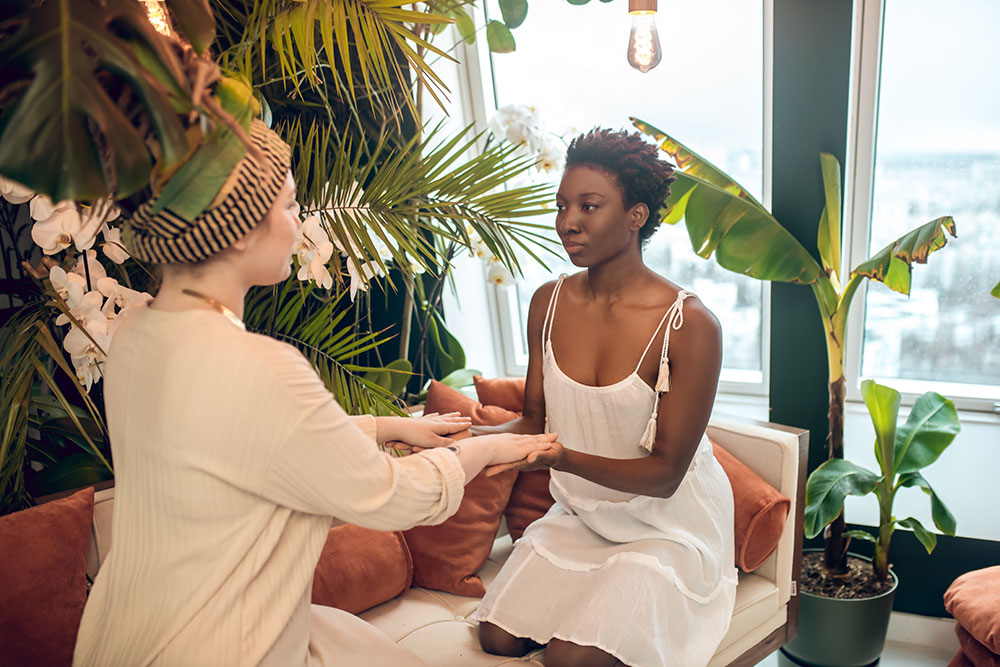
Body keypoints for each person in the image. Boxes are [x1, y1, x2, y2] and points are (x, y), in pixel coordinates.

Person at [72, 119, 558, 667]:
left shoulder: (138, 333)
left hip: (127, 628)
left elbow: (251, 440)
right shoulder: (262, 365)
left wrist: (390, 426)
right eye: (288, 205)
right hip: (224, 640)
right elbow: (394, 495)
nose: (297, 224)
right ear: (238, 227)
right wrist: (490, 448)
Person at [470, 128, 738, 667]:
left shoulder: (689, 325)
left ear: (636, 215)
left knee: (568, 660)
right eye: (562, 205)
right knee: (497, 636)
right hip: (584, 518)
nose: (568, 222)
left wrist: (563, 458)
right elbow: (532, 421)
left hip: (668, 529)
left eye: (589, 206)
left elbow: (665, 475)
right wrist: (462, 440)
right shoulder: (548, 302)